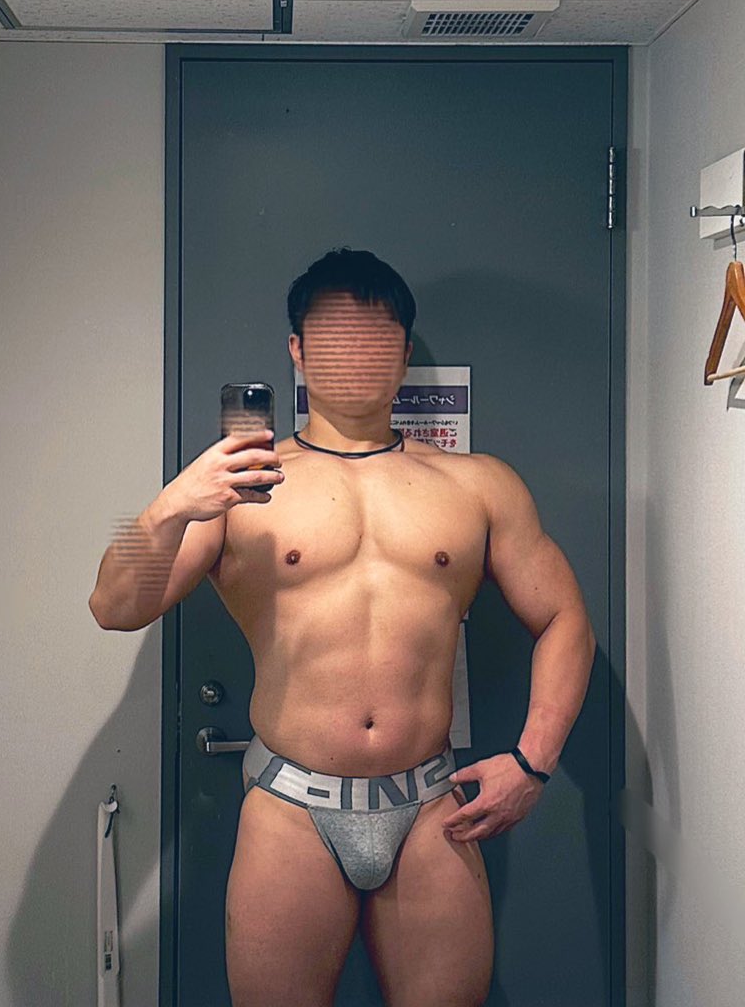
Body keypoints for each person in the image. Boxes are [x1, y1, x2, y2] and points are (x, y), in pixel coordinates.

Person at [89, 247, 597, 1007]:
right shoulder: (237, 489)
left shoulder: (479, 484)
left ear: (404, 351)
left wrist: (533, 762)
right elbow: (111, 605)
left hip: (430, 807)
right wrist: (170, 504)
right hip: (290, 806)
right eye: (333, 333)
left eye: (375, 332)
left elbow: (564, 616)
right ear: (297, 350)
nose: (356, 351)